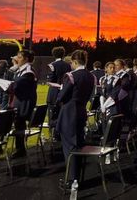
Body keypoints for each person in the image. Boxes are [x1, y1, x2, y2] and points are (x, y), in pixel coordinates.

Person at [56, 50, 94, 187]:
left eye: (71, 62)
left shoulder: (71, 75)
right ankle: (77, 176)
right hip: (81, 111)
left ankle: (72, 180)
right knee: (78, 144)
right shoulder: (91, 76)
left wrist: (61, 92)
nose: (70, 65)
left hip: (69, 112)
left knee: (69, 147)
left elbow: (61, 96)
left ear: (75, 62)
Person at [11, 49, 38, 158]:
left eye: (20, 57)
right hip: (21, 101)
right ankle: (20, 148)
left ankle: (20, 149)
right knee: (18, 124)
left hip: (24, 102)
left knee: (19, 124)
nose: (17, 59)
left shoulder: (28, 71)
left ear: (26, 59)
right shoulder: (23, 69)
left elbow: (17, 85)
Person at [46, 47, 72, 135]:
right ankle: (60, 134)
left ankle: (52, 135)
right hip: (65, 92)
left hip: (54, 93)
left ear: (53, 54)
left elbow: (49, 81)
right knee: (62, 114)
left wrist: (58, 85)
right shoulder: (68, 65)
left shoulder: (52, 65)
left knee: (52, 115)